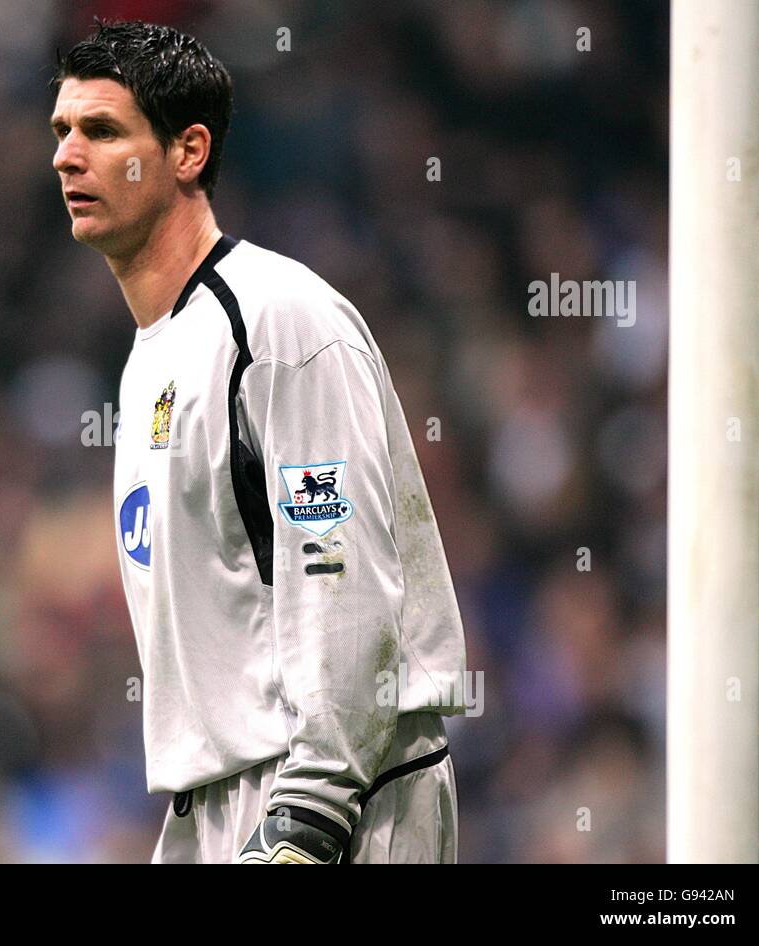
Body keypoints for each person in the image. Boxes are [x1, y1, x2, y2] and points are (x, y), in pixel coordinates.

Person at [50, 19, 467, 864]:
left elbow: (338, 563)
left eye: (101, 131)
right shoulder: (150, 358)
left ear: (188, 151)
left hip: (331, 799)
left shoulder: (276, 321)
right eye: (61, 131)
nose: (66, 155)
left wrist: (308, 813)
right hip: (219, 803)